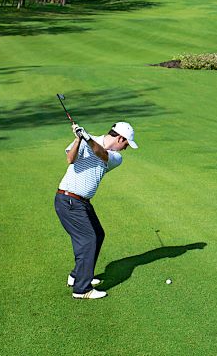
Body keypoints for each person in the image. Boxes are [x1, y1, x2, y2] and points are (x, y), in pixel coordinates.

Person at [54, 120, 138, 299]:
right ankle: (81, 289)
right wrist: (78, 139)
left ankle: (77, 275)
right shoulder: (86, 139)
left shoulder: (116, 157)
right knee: (88, 239)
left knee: (98, 234)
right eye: (126, 144)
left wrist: (87, 138)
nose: (125, 149)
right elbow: (70, 159)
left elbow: (100, 153)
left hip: (81, 202)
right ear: (120, 138)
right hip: (68, 200)